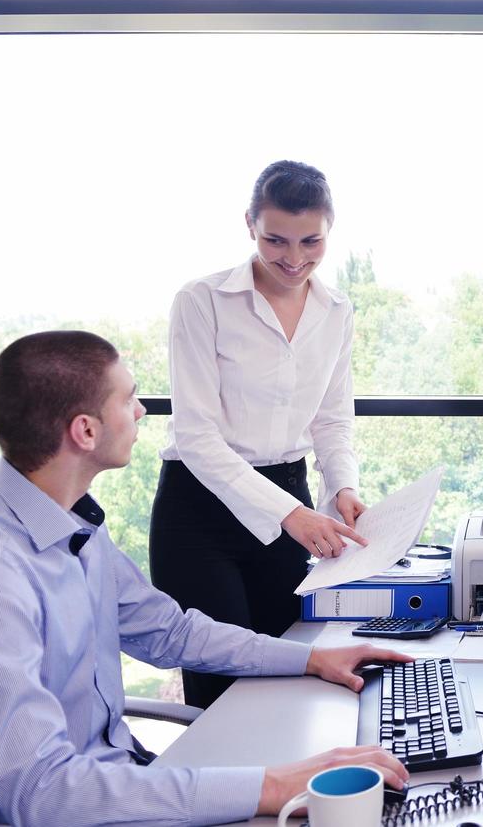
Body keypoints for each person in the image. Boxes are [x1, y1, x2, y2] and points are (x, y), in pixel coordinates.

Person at [0, 331, 409, 826]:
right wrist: (273, 786)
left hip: (120, 782)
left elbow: (172, 633)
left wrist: (313, 659)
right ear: (86, 430)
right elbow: (46, 796)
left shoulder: (69, 523)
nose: (141, 411)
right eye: (129, 399)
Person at [150, 159, 369, 708]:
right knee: (220, 691)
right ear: (249, 224)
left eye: (310, 241)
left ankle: (287, 795)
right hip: (200, 510)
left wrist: (342, 488)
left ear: (329, 229)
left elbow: (332, 420)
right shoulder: (201, 301)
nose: (294, 259)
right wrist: (291, 514)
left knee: (288, 677)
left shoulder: (336, 311)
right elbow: (196, 437)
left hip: (289, 502)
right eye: (275, 240)